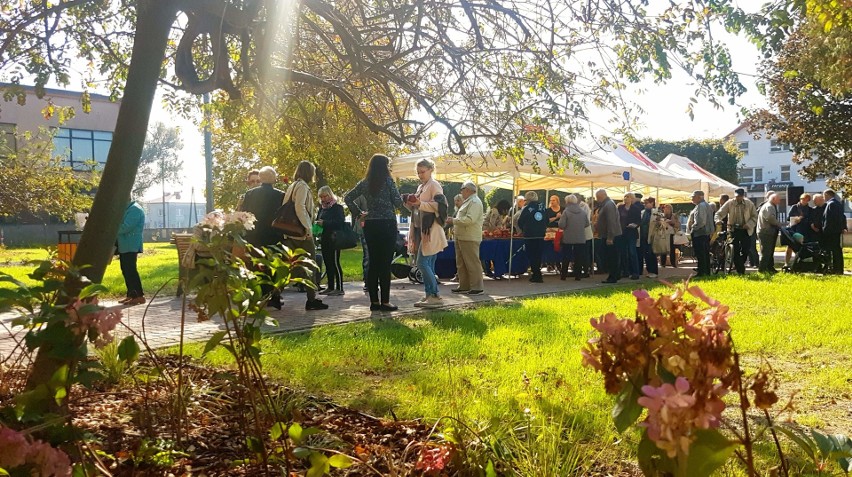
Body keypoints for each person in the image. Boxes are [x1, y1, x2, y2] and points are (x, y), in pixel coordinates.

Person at [345, 154, 404, 311]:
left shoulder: (365, 183)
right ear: (384, 166)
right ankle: (385, 301)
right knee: (385, 263)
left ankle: (374, 302)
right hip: (387, 224)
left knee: (373, 263)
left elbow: (348, 197)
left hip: (370, 224)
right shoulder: (388, 181)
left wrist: (358, 213)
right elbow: (398, 202)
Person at [282, 161, 329, 310]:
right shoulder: (302, 186)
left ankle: (275, 295)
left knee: (287, 266)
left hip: (290, 232)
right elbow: (300, 207)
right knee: (310, 265)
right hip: (301, 233)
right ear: (309, 173)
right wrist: (308, 228)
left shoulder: (292, 186)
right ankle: (311, 299)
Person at [238, 166, 286, 309]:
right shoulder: (281, 195)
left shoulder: (250, 194)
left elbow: (245, 214)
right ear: (274, 179)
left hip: (254, 235)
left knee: (255, 266)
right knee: (273, 266)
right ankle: (273, 296)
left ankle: (257, 296)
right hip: (273, 234)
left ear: (261, 178)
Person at [405, 158, 449, 308]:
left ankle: (435, 295)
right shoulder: (421, 187)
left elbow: (441, 205)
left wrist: (420, 204)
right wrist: (410, 205)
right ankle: (429, 294)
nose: (420, 175)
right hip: (422, 230)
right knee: (428, 263)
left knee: (422, 263)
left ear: (430, 170)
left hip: (430, 230)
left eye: (422, 172)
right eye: (418, 173)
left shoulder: (434, 185)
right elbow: (419, 209)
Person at [446, 181, 485, 294]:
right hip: (461, 236)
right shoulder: (467, 202)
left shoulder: (475, 202)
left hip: (470, 237)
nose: (461, 191)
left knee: (472, 262)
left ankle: (477, 287)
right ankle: (464, 285)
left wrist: (453, 220)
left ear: (468, 190)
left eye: (462, 189)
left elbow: (470, 219)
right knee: (461, 262)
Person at [714, 187, 758, 275]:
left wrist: (748, 224)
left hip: (745, 230)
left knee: (746, 250)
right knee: (735, 250)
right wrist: (718, 220)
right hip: (733, 230)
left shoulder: (749, 204)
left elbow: (754, 216)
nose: (738, 198)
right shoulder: (730, 203)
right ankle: (740, 270)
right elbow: (719, 213)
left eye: (740, 196)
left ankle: (740, 264)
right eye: (737, 196)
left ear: (743, 196)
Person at [316, 186, 346, 296]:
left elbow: (339, 222)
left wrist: (325, 223)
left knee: (335, 263)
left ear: (330, 195)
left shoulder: (337, 208)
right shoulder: (322, 208)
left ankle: (339, 287)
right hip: (324, 238)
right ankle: (330, 286)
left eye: (325, 196)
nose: (323, 199)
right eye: (321, 197)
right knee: (327, 263)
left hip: (334, 238)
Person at [117, 199, 146, 306]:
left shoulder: (134, 209)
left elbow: (125, 227)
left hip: (131, 244)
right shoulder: (129, 208)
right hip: (126, 244)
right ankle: (131, 294)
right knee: (125, 269)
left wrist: (111, 229)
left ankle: (139, 296)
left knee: (131, 270)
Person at [558, 194, 590, 280]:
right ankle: (578, 276)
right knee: (579, 257)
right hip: (580, 237)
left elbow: (561, 224)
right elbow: (587, 224)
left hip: (568, 237)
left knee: (566, 256)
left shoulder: (566, 212)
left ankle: (564, 275)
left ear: (567, 202)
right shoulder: (582, 212)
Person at [518, 191, 547, 282]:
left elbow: (520, 221)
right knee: (538, 255)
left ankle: (536, 275)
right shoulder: (542, 207)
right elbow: (547, 220)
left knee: (532, 255)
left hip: (530, 235)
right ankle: (537, 273)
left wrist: (524, 229)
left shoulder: (527, 209)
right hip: (540, 235)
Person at [595, 189, 622, 284]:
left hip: (611, 235)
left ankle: (612, 277)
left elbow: (611, 221)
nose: (597, 199)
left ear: (603, 196)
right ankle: (616, 274)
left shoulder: (609, 205)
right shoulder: (607, 204)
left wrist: (610, 237)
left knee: (611, 257)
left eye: (598, 197)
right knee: (611, 256)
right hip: (608, 234)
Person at [687, 190, 713, 277]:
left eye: (693, 197)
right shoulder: (706, 205)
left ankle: (702, 272)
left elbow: (701, 221)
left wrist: (693, 228)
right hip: (705, 233)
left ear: (699, 197)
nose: (692, 198)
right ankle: (706, 271)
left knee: (700, 253)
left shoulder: (701, 206)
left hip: (700, 233)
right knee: (705, 253)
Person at [822, 189, 847, 274]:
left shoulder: (831, 204)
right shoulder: (838, 203)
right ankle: (838, 268)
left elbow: (830, 220)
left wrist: (825, 230)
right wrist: (843, 227)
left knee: (834, 250)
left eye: (824, 195)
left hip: (831, 231)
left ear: (827, 195)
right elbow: (842, 217)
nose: (823, 197)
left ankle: (836, 268)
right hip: (836, 230)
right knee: (837, 249)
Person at [756, 192, 782, 274]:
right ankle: (762, 270)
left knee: (769, 252)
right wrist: (778, 224)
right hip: (766, 232)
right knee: (766, 252)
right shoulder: (769, 206)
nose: (779, 201)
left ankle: (769, 268)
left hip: (766, 231)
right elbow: (770, 218)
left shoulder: (769, 205)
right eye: (778, 199)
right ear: (773, 199)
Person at [617, 192, 641, 280]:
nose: (626, 198)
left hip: (631, 233)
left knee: (632, 252)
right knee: (623, 253)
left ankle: (635, 272)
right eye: (625, 196)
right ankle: (625, 271)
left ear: (632, 199)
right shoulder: (620, 207)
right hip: (622, 233)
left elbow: (639, 221)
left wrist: (635, 224)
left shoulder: (636, 209)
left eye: (628, 197)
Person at [786, 193, 812, 266]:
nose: (804, 201)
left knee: (801, 247)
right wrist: (796, 218)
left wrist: (802, 219)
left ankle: (799, 263)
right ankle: (786, 263)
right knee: (790, 246)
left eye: (806, 200)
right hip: (794, 229)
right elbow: (788, 218)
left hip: (804, 229)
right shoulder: (794, 207)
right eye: (803, 199)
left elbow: (809, 219)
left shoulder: (809, 209)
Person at [351, 194, 370, 292]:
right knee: (367, 256)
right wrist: (360, 213)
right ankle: (368, 282)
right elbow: (351, 201)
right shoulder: (362, 193)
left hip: (379, 226)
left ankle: (373, 280)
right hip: (365, 228)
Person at [639, 197, 659, 278]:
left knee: (652, 254)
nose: (645, 205)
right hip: (643, 236)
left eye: (647, 203)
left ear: (652, 203)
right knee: (646, 254)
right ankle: (649, 270)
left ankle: (654, 271)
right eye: (644, 203)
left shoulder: (656, 212)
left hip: (652, 236)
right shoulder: (643, 212)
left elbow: (660, 222)